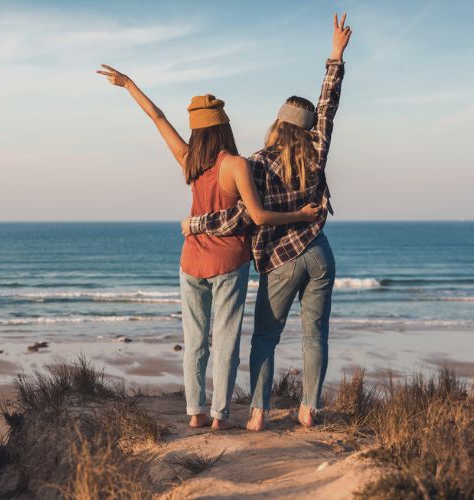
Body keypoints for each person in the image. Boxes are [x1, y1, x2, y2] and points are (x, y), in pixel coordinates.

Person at [97, 65, 319, 429]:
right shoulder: (236, 165)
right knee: (226, 341)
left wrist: (128, 85)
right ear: (225, 128)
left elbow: (158, 118)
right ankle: (219, 416)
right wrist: (301, 213)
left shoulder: (188, 162)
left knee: (195, 342)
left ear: (197, 132)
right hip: (229, 261)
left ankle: (195, 412)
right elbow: (259, 217)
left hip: (190, 261)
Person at [186, 13, 351, 431]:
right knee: (315, 335)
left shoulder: (257, 163)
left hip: (281, 260)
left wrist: (199, 224)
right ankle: (308, 409)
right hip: (319, 253)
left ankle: (258, 413)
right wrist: (335, 55)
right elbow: (328, 104)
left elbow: (242, 217)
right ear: (307, 128)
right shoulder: (317, 150)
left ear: (277, 123)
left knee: (265, 337)